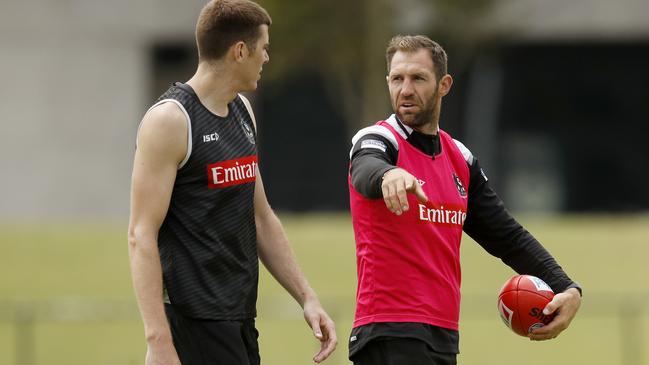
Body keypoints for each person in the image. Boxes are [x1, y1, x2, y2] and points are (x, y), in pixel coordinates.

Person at [347, 35, 582, 365]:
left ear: (444, 85)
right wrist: (387, 175)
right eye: (397, 79)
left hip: (442, 335)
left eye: (418, 78)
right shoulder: (380, 139)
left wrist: (568, 289)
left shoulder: (460, 158)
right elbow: (365, 168)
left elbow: (507, 236)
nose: (405, 89)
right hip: (390, 331)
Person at [127, 1, 337, 364]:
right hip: (190, 325)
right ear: (240, 51)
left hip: (238, 321)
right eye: (264, 47)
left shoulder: (242, 111)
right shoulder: (170, 121)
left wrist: (307, 297)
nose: (267, 58)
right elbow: (140, 234)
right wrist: (159, 341)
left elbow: (261, 218)